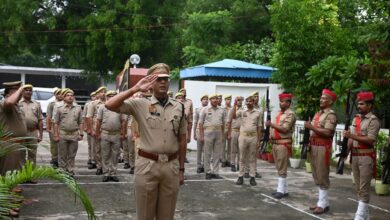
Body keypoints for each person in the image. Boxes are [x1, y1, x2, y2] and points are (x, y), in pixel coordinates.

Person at [105, 63, 187, 220]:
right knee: (145, 216)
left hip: (171, 167)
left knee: (167, 215)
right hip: (147, 166)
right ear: (151, 82)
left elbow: (182, 139)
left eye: (166, 79)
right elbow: (109, 104)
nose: (163, 82)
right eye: (158, 79)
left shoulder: (179, 107)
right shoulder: (140, 104)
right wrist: (135, 89)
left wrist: (181, 170)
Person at [343, 91, 380, 220]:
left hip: (366, 157)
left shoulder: (373, 121)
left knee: (364, 188)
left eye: (362, 104)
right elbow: (351, 140)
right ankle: (366, 216)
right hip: (355, 156)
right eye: (358, 104)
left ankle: (358, 217)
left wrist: (351, 136)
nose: (359, 106)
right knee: (358, 188)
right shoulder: (356, 119)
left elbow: (370, 140)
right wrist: (345, 152)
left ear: (369, 105)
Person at [304, 89, 337, 215]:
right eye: (321, 97)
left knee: (322, 174)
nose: (321, 100)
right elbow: (314, 131)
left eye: (324, 98)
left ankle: (322, 204)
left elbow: (328, 132)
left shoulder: (331, 115)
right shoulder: (318, 113)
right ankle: (323, 201)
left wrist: (311, 127)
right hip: (314, 145)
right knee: (316, 174)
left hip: (323, 147)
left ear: (330, 101)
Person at [0, 81, 27, 218]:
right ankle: (5, 208)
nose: (21, 94)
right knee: (7, 178)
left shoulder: (17, 106)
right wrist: (20, 89)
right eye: (18, 91)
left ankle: (8, 205)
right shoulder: (5, 103)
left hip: (17, 145)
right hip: (9, 145)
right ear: (10, 93)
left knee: (12, 178)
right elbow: (9, 103)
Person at [266, 92, 296, 199]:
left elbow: (285, 129)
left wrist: (271, 124)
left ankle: (280, 190)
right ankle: (284, 189)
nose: (281, 103)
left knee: (282, 167)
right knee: (279, 167)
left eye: (283, 102)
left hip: (283, 144)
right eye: (280, 101)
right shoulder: (279, 113)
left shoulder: (290, 114)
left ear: (288, 103)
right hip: (276, 143)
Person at [231, 96, 263, 186]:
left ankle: (252, 177)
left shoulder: (258, 113)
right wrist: (234, 104)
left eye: (250, 101)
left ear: (253, 102)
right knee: (242, 158)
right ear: (245, 103)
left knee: (252, 158)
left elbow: (259, 127)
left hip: (253, 137)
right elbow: (233, 116)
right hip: (243, 137)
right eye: (247, 101)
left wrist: (259, 140)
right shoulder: (242, 111)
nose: (248, 103)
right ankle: (240, 176)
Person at [96, 90, 126, 182]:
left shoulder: (120, 107)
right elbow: (98, 121)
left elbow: (123, 121)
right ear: (106, 97)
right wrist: (97, 133)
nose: (112, 97)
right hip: (105, 133)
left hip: (116, 134)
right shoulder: (102, 107)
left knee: (115, 155)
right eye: (110, 96)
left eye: (114, 96)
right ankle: (105, 173)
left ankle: (113, 173)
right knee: (105, 154)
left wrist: (123, 133)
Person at [53, 89, 83, 176]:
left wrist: (81, 133)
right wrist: (55, 134)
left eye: (71, 95)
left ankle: (70, 170)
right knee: (62, 154)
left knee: (72, 154)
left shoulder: (78, 108)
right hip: (63, 134)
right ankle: (62, 171)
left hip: (74, 134)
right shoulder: (59, 108)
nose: (70, 97)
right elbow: (56, 123)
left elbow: (81, 122)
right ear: (64, 98)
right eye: (68, 95)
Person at [199, 94, 226, 180]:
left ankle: (215, 172)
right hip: (208, 133)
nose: (215, 100)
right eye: (213, 99)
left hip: (218, 133)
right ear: (210, 100)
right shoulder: (205, 109)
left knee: (217, 153)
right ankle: (207, 172)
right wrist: (201, 135)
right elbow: (200, 123)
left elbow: (223, 123)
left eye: (216, 99)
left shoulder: (221, 110)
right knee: (207, 153)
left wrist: (222, 135)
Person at [19, 84, 43, 165]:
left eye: (30, 90)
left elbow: (40, 120)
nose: (28, 92)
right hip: (21, 132)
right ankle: (21, 174)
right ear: (22, 92)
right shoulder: (17, 103)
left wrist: (40, 135)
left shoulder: (36, 104)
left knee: (32, 154)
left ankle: (30, 173)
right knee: (20, 154)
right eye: (26, 90)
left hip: (33, 132)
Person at [86, 86, 107, 175]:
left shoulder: (109, 102)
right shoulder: (93, 104)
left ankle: (106, 167)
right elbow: (89, 117)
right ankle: (99, 166)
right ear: (98, 94)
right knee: (97, 149)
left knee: (106, 150)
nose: (103, 93)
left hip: (107, 129)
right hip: (97, 129)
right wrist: (91, 129)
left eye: (105, 92)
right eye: (101, 92)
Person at [46, 88, 63, 167]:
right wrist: (48, 127)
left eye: (61, 93)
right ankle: (54, 159)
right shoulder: (52, 104)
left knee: (62, 144)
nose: (60, 95)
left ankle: (61, 159)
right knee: (54, 144)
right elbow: (48, 116)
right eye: (58, 93)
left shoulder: (64, 103)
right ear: (55, 95)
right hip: (53, 125)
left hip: (62, 126)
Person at [193, 94, 209, 173]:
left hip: (207, 131)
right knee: (199, 150)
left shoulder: (210, 109)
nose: (205, 100)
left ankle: (205, 166)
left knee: (206, 150)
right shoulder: (197, 109)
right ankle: (199, 166)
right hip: (199, 131)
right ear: (201, 101)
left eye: (207, 99)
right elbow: (195, 122)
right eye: (204, 99)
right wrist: (194, 133)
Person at [227, 96, 243, 172]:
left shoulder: (244, 109)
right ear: (235, 101)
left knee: (241, 149)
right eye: (238, 100)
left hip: (242, 132)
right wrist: (229, 133)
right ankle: (232, 164)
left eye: (240, 100)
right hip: (234, 131)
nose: (239, 102)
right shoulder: (232, 110)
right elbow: (229, 122)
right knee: (233, 149)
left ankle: (239, 164)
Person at [83, 91, 97, 169]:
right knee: (91, 145)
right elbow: (85, 116)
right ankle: (91, 158)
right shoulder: (88, 104)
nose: (94, 97)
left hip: (98, 128)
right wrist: (86, 127)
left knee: (96, 146)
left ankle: (96, 159)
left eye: (95, 96)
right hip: (91, 127)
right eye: (92, 96)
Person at [221, 94, 232, 167]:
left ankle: (229, 160)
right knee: (223, 145)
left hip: (230, 128)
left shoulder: (232, 108)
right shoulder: (222, 108)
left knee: (230, 146)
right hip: (224, 128)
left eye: (230, 99)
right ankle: (223, 160)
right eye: (227, 99)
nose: (228, 101)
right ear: (225, 100)